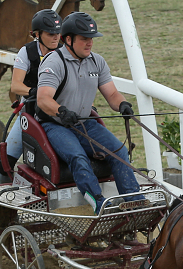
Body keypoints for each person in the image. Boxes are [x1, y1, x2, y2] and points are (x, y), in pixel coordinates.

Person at [35, 11, 142, 214]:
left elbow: (111, 93)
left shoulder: (97, 62)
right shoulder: (54, 62)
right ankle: (99, 203)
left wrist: (123, 105)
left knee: (119, 151)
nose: (89, 43)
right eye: (84, 39)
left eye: (91, 39)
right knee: (78, 157)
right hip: (56, 125)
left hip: (85, 122)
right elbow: (43, 99)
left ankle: (134, 201)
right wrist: (61, 111)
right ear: (68, 39)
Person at [0, 9, 63, 183]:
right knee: (3, 163)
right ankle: (7, 198)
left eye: (58, 33)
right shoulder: (26, 52)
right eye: (50, 33)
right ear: (37, 35)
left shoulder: (65, 52)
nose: (56, 37)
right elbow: (15, 85)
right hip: (31, 112)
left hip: (57, 111)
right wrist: (32, 91)